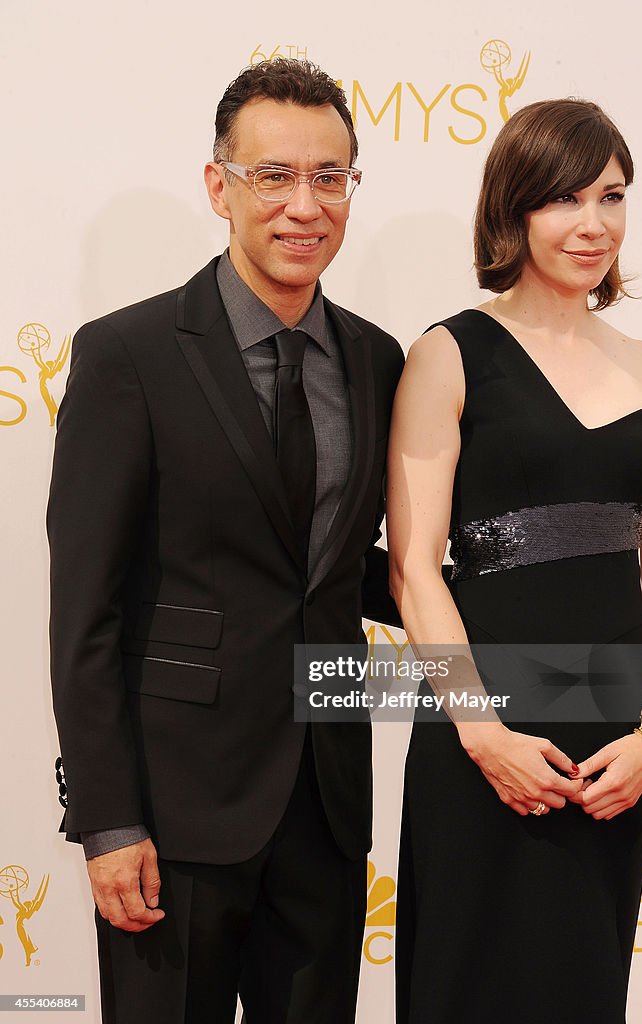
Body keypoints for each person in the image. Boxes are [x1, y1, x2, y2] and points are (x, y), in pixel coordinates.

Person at [47, 58, 403, 1024]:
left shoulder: (376, 358)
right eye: (273, 176)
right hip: (173, 812)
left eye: (330, 178)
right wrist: (108, 819)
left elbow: (333, 566)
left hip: (326, 806)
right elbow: (86, 608)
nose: (304, 205)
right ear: (220, 186)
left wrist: (542, 627)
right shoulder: (127, 354)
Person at [387, 98, 642, 1023]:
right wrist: (483, 736)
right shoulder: (449, 353)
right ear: (514, 209)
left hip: (614, 747)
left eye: (612, 196)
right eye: (564, 198)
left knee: (582, 988)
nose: (593, 223)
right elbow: (413, 570)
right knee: (463, 982)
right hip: (483, 736)